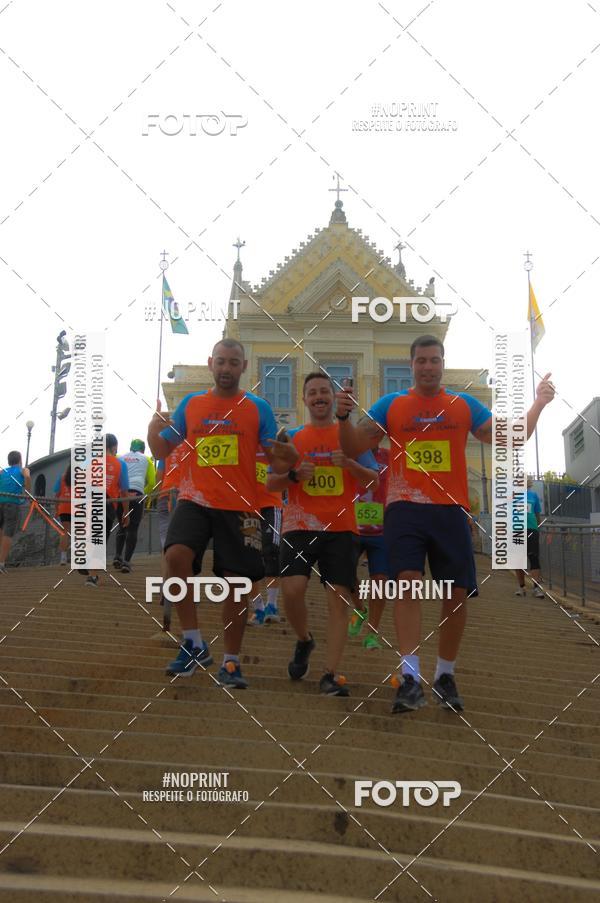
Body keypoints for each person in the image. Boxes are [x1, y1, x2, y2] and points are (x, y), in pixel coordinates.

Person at [336, 335, 555, 714]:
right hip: (404, 508)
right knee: (406, 583)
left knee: (456, 594)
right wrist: (342, 417)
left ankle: (445, 675)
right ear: (411, 365)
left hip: (451, 509)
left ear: (442, 363)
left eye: (434, 360)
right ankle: (409, 676)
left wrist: (538, 403)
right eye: (421, 360)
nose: (428, 367)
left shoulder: (462, 405)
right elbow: (354, 445)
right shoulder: (391, 405)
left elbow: (511, 436)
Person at [147, 339, 296, 686]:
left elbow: (274, 456)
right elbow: (162, 448)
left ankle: (230, 660)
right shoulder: (192, 404)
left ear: (244, 367)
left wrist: (288, 455)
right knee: (176, 557)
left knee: (237, 584)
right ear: (211, 363)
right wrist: (153, 427)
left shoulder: (258, 408)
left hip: (241, 506)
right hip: (195, 499)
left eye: (234, 363)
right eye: (222, 362)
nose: (227, 369)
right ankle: (193, 641)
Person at [266, 372, 379, 696]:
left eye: (324, 392)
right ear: (304, 400)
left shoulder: (350, 436)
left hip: (341, 528)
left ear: (332, 399)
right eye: (312, 392)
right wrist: (294, 475)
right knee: (292, 589)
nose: (318, 397)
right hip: (299, 524)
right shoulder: (292, 438)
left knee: (339, 599)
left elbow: (372, 480)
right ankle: (304, 640)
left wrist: (350, 466)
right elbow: (270, 484)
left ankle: (331, 673)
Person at [347, 445, 392, 650]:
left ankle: (372, 633)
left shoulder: (389, 456)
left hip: (382, 528)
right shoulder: (351, 453)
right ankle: (359, 609)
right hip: (353, 526)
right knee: (345, 574)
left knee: (380, 582)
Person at [84, 434, 129, 588]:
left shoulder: (89, 462)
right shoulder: (120, 464)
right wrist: (126, 512)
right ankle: (92, 576)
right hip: (107, 503)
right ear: (114, 446)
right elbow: (124, 492)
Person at [155, 441, 189, 631]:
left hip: (165, 495)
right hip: (185, 498)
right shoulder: (193, 444)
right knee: (181, 547)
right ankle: (174, 590)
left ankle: (165, 588)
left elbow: (160, 477)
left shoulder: (165, 448)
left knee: (166, 546)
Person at [249, 449, 283, 626]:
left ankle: (272, 605)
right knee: (247, 558)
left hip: (271, 505)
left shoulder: (272, 443)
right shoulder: (243, 441)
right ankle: (258, 607)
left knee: (271, 551)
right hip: (246, 507)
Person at [114, 440, 156, 573]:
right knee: (133, 529)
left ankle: (117, 556)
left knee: (122, 525)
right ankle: (126, 562)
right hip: (137, 493)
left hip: (122, 494)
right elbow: (152, 482)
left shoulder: (120, 457)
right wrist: (144, 494)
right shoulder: (147, 460)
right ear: (143, 449)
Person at [0, 451, 30, 574]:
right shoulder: (22, 470)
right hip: (12, 503)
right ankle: (1, 563)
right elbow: (27, 477)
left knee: (1, 530)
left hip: (0, 500)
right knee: (8, 533)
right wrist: (27, 494)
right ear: (19, 460)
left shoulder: (3, 471)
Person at [515, 477, 544, 598]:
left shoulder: (533, 495)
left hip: (532, 529)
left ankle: (536, 589)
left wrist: (539, 528)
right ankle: (522, 588)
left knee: (534, 558)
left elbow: (537, 514)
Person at [53, 463, 72, 565]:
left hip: (63, 508)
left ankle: (63, 558)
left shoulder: (62, 477)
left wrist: (56, 509)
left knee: (64, 533)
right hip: (77, 507)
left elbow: (56, 494)